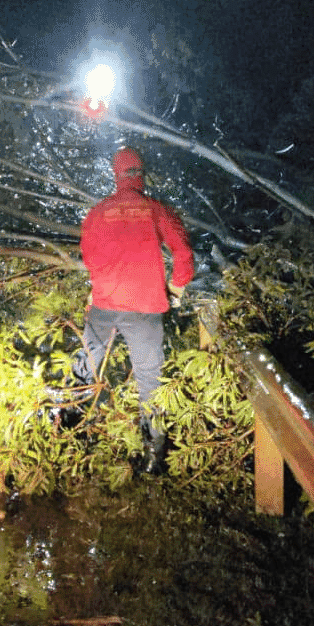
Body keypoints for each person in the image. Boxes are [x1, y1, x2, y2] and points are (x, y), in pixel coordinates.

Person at [74, 147, 195, 474]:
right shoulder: (157, 210)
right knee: (150, 381)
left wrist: (99, 285)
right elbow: (183, 252)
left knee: (87, 363)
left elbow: (89, 258)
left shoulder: (97, 213)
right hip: (145, 309)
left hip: (104, 306)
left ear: (116, 175)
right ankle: (155, 454)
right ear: (142, 173)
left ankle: (73, 425)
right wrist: (177, 287)